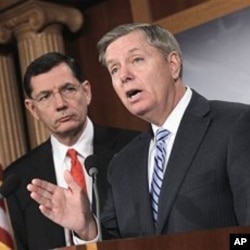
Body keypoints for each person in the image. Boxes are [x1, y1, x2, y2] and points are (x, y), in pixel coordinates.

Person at [27, 23, 250, 242]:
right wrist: (87, 227)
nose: (124, 75)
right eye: (114, 69)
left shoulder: (235, 124)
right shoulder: (123, 163)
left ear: (173, 64)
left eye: (137, 60)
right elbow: (116, 242)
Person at [3, 52, 139, 250]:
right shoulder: (17, 178)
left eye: (68, 89)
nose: (60, 104)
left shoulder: (135, 148)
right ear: (33, 109)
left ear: (86, 92)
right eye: (45, 97)